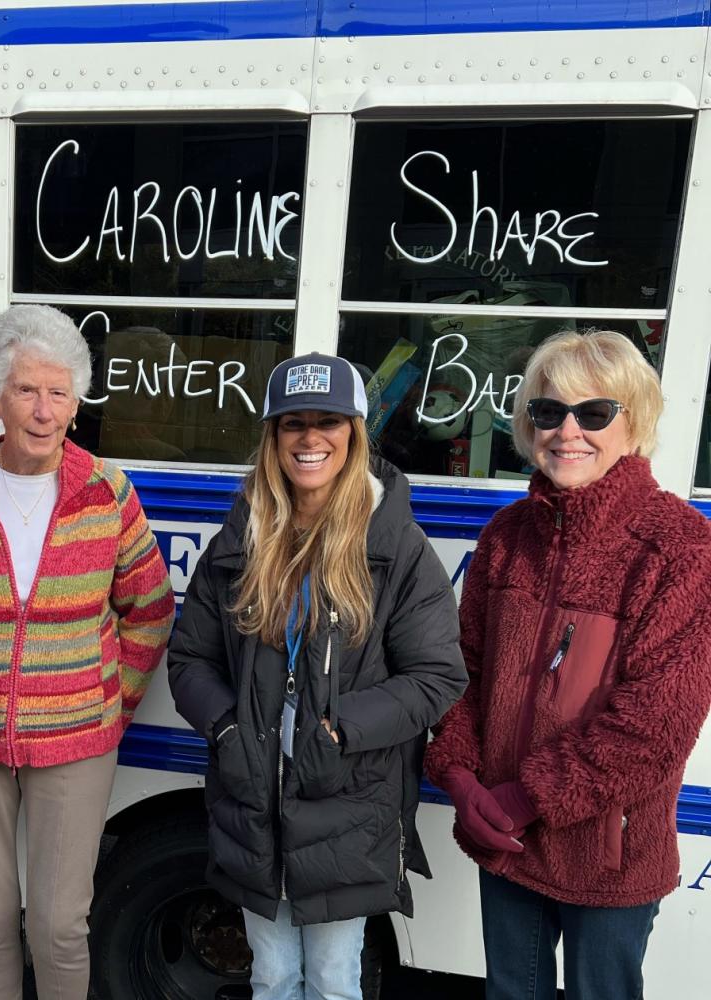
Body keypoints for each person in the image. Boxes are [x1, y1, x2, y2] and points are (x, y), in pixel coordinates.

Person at [0, 304, 175, 1000]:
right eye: (26, 390)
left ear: (76, 401)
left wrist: (112, 702)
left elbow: (151, 608)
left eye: (59, 392)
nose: (43, 410)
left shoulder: (107, 494)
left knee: (57, 924)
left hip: (77, 742)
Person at [168, 352, 468, 1000]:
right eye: (292, 423)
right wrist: (226, 729)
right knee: (273, 977)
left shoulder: (394, 546)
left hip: (348, 801)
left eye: (327, 422)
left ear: (354, 433)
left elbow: (436, 674)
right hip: (254, 799)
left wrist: (339, 732)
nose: (310, 439)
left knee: (334, 982)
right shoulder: (239, 541)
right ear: (273, 438)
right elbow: (191, 658)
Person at [425, 329, 711, 1000]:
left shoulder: (680, 547)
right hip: (504, 838)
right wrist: (464, 782)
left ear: (633, 420)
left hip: (607, 856)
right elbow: (463, 673)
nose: (567, 431)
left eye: (594, 413)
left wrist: (525, 797)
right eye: (549, 413)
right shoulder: (505, 538)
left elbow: (656, 723)